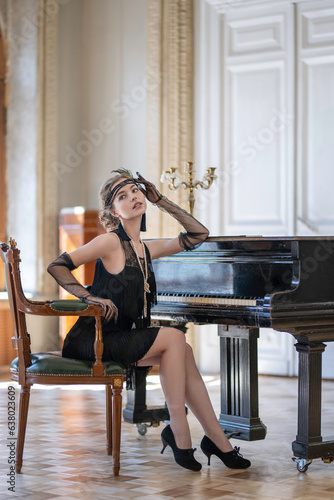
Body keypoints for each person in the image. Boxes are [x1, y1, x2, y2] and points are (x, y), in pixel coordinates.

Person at [47, 169, 251, 472]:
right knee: (173, 337)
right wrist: (89, 298)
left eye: (135, 191)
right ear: (113, 211)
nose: (133, 197)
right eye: (122, 196)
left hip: (118, 337)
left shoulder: (145, 249)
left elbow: (198, 234)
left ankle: (216, 439)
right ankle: (180, 434)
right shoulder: (109, 242)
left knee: (184, 351)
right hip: (93, 340)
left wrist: (161, 200)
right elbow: (58, 265)